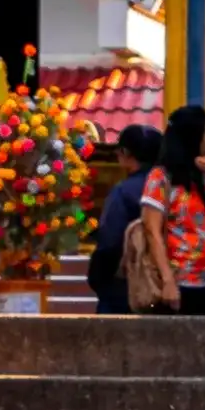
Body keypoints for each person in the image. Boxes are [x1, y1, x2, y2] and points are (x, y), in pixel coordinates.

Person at [141, 104, 205, 316]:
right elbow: (152, 230)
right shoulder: (161, 177)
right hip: (181, 285)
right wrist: (167, 281)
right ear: (192, 136)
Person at [86, 122, 164, 314]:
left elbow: (110, 242)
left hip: (130, 284)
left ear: (126, 154)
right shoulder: (173, 188)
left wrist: (98, 278)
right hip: (171, 282)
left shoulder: (124, 191)